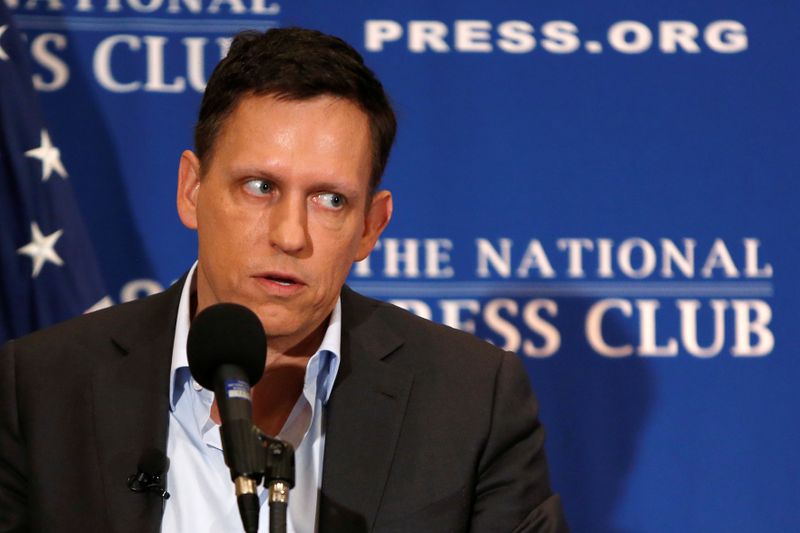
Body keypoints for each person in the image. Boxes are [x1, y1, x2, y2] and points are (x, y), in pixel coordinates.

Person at [0, 27, 567, 532]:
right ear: (192, 190)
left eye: (329, 199)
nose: (290, 235)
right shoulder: (39, 388)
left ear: (370, 227)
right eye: (259, 187)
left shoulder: (470, 401)